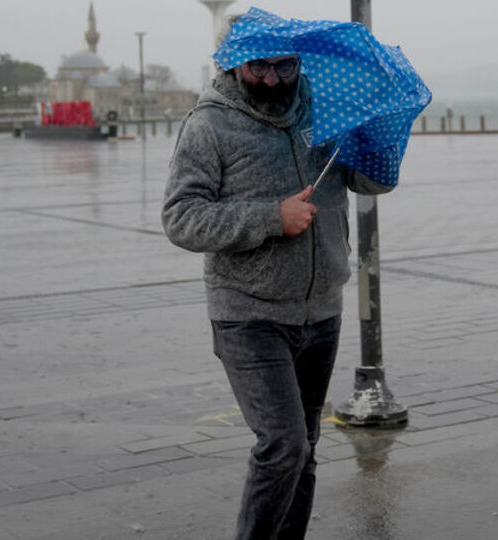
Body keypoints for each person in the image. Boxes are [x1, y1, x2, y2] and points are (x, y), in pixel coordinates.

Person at [161, 36, 393, 540]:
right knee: (283, 445)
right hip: (249, 314)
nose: (272, 79)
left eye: (284, 67)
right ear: (233, 64)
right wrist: (272, 216)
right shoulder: (210, 124)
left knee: (305, 449)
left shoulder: (324, 113)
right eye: (258, 67)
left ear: (297, 62)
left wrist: (377, 143)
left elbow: (370, 185)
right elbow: (181, 218)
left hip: (320, 311)